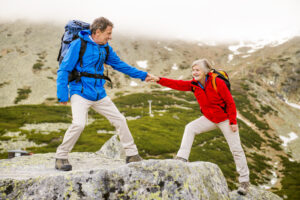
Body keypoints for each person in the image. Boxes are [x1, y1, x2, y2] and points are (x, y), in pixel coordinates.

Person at [56, 17, 153, 171]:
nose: (110, 37)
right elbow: (64, 69)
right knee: (79, 124)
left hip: (99, 94)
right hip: (79, 92)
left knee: (120, 120)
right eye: (108, 33)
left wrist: (142, 75)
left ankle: (132, 154)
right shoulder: (78, 45)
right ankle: (61, 156)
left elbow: (120, 65)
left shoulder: (105, 48)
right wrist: (62, 94)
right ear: (97, 32)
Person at [150, 59, 250, 195]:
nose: (194, 72)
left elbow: (230, 102)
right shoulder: (194, 84)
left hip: (225, 119)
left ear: (205, 71)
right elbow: (177, 84)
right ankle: (182, 158)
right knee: (190, 128)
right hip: (210, 118)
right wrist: (158, 79)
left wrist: (233, 121)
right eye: (193, 70)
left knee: (236, 149)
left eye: (197, 70)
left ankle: (244, 182)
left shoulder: (217, 82)